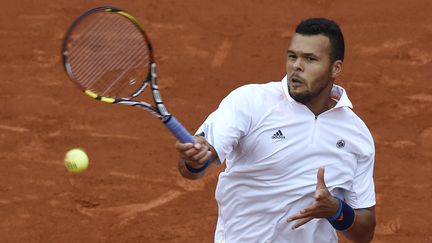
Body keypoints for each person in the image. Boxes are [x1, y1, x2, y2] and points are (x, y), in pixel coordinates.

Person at [175, 17, 376, 243]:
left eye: (310, 59)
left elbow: (365, 231)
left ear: (335, 68)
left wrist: (336, 210)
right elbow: (194, 167)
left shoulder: (356, 134)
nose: (296, 66)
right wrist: (195, 159)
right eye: (292, 56)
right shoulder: (250, 102)